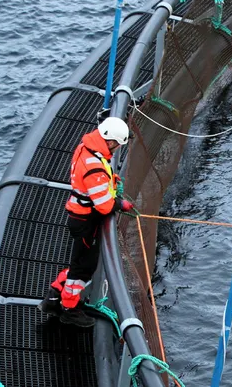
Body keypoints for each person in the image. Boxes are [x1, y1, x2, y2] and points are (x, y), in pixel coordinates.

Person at [38, 116, 134, 327]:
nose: (117, 149)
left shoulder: (88, 148)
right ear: (110, 142)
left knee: (78, 263)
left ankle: (53, 298)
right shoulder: (95, 166)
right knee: (83, 268)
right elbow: (104, 206)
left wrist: (111, 181)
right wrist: (120, 204)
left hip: (79, 216)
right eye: (118, 145)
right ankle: (69, 308)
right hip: (86, 221)